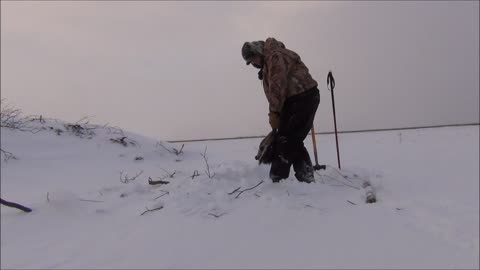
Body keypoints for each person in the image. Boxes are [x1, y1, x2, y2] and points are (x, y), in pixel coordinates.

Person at [242, 37, 320, 183]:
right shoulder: (269, 62)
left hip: (303, 98)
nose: (253, 63)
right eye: (250, 62)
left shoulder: (275, 56)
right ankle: (306, 176)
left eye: (253, 59)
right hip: (294, 101)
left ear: (258, 51)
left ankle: (277, 179)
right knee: (291, 139)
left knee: (286, 140)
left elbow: (278, 87)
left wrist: (274, 112)